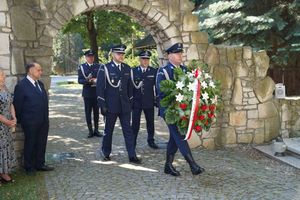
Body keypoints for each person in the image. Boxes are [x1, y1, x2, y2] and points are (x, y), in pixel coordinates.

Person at [156, 43, 205, 176]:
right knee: (180, 136)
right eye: (177, 53)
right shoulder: (164, 71)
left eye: (181, 53)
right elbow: (161, 92)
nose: (180, 55)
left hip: (183, 110)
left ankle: (168, 165)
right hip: (170, 111)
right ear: (169, 56)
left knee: (175, 137)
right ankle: (193, 165)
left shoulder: (185, 70)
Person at [96, 44, 141, 164]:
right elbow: (100, 88)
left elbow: (130, 88)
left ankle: (132, 155)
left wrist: (130, 102)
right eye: (118, 54)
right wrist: (102, 105)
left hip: (125, 106)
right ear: (112, 54)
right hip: (110, 106)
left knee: (128, 131)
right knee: (108, 131)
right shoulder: (105, 68)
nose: (121, 56)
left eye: (122, 54)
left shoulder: (127, 68)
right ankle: (106, 152)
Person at [13, 62, 54, 175]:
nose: (41, 72)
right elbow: (18, 105)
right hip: (30, 122)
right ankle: (29, 166)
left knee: (41, 142)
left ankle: (40, 164)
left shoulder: (40, 84)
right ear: (31, 71)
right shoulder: (21, 86)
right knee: (30, 143)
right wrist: (22, 121)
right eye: (38, 70)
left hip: (43, 120)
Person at [131, 50, 158, 149]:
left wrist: (157, 99)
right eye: (143, 59)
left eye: (147, 59)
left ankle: (151, 140)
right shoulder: (133, 71)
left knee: (150, 123)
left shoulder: (153, 71)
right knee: (135, 123)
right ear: (139, 59)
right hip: (136, 102)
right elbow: (130, 87)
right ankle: (132, 141)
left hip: (149, 101)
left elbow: (157, 87)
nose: (145, 61)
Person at [78, 50, 103, 138]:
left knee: (96, 113)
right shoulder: (82, 67)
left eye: (92, 56)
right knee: (88, 113)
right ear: (86, 57)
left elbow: (101, 77)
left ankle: (96, 130)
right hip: (87, 93)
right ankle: (90, 131)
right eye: (89, 56)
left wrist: (96, 80)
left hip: (96, 93)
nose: (91, 58)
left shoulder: (98, 66)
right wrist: (87, 81)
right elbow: (79, 80)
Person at [0, 68, 17, 183]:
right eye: (1, 75)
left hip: (7, 124)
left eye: (4, 75)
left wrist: (14, 117)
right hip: (1, 123)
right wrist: (5, 121)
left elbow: (11, 104)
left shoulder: (5, 88)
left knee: (6, 147)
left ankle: (4, 173)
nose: (4, 77)